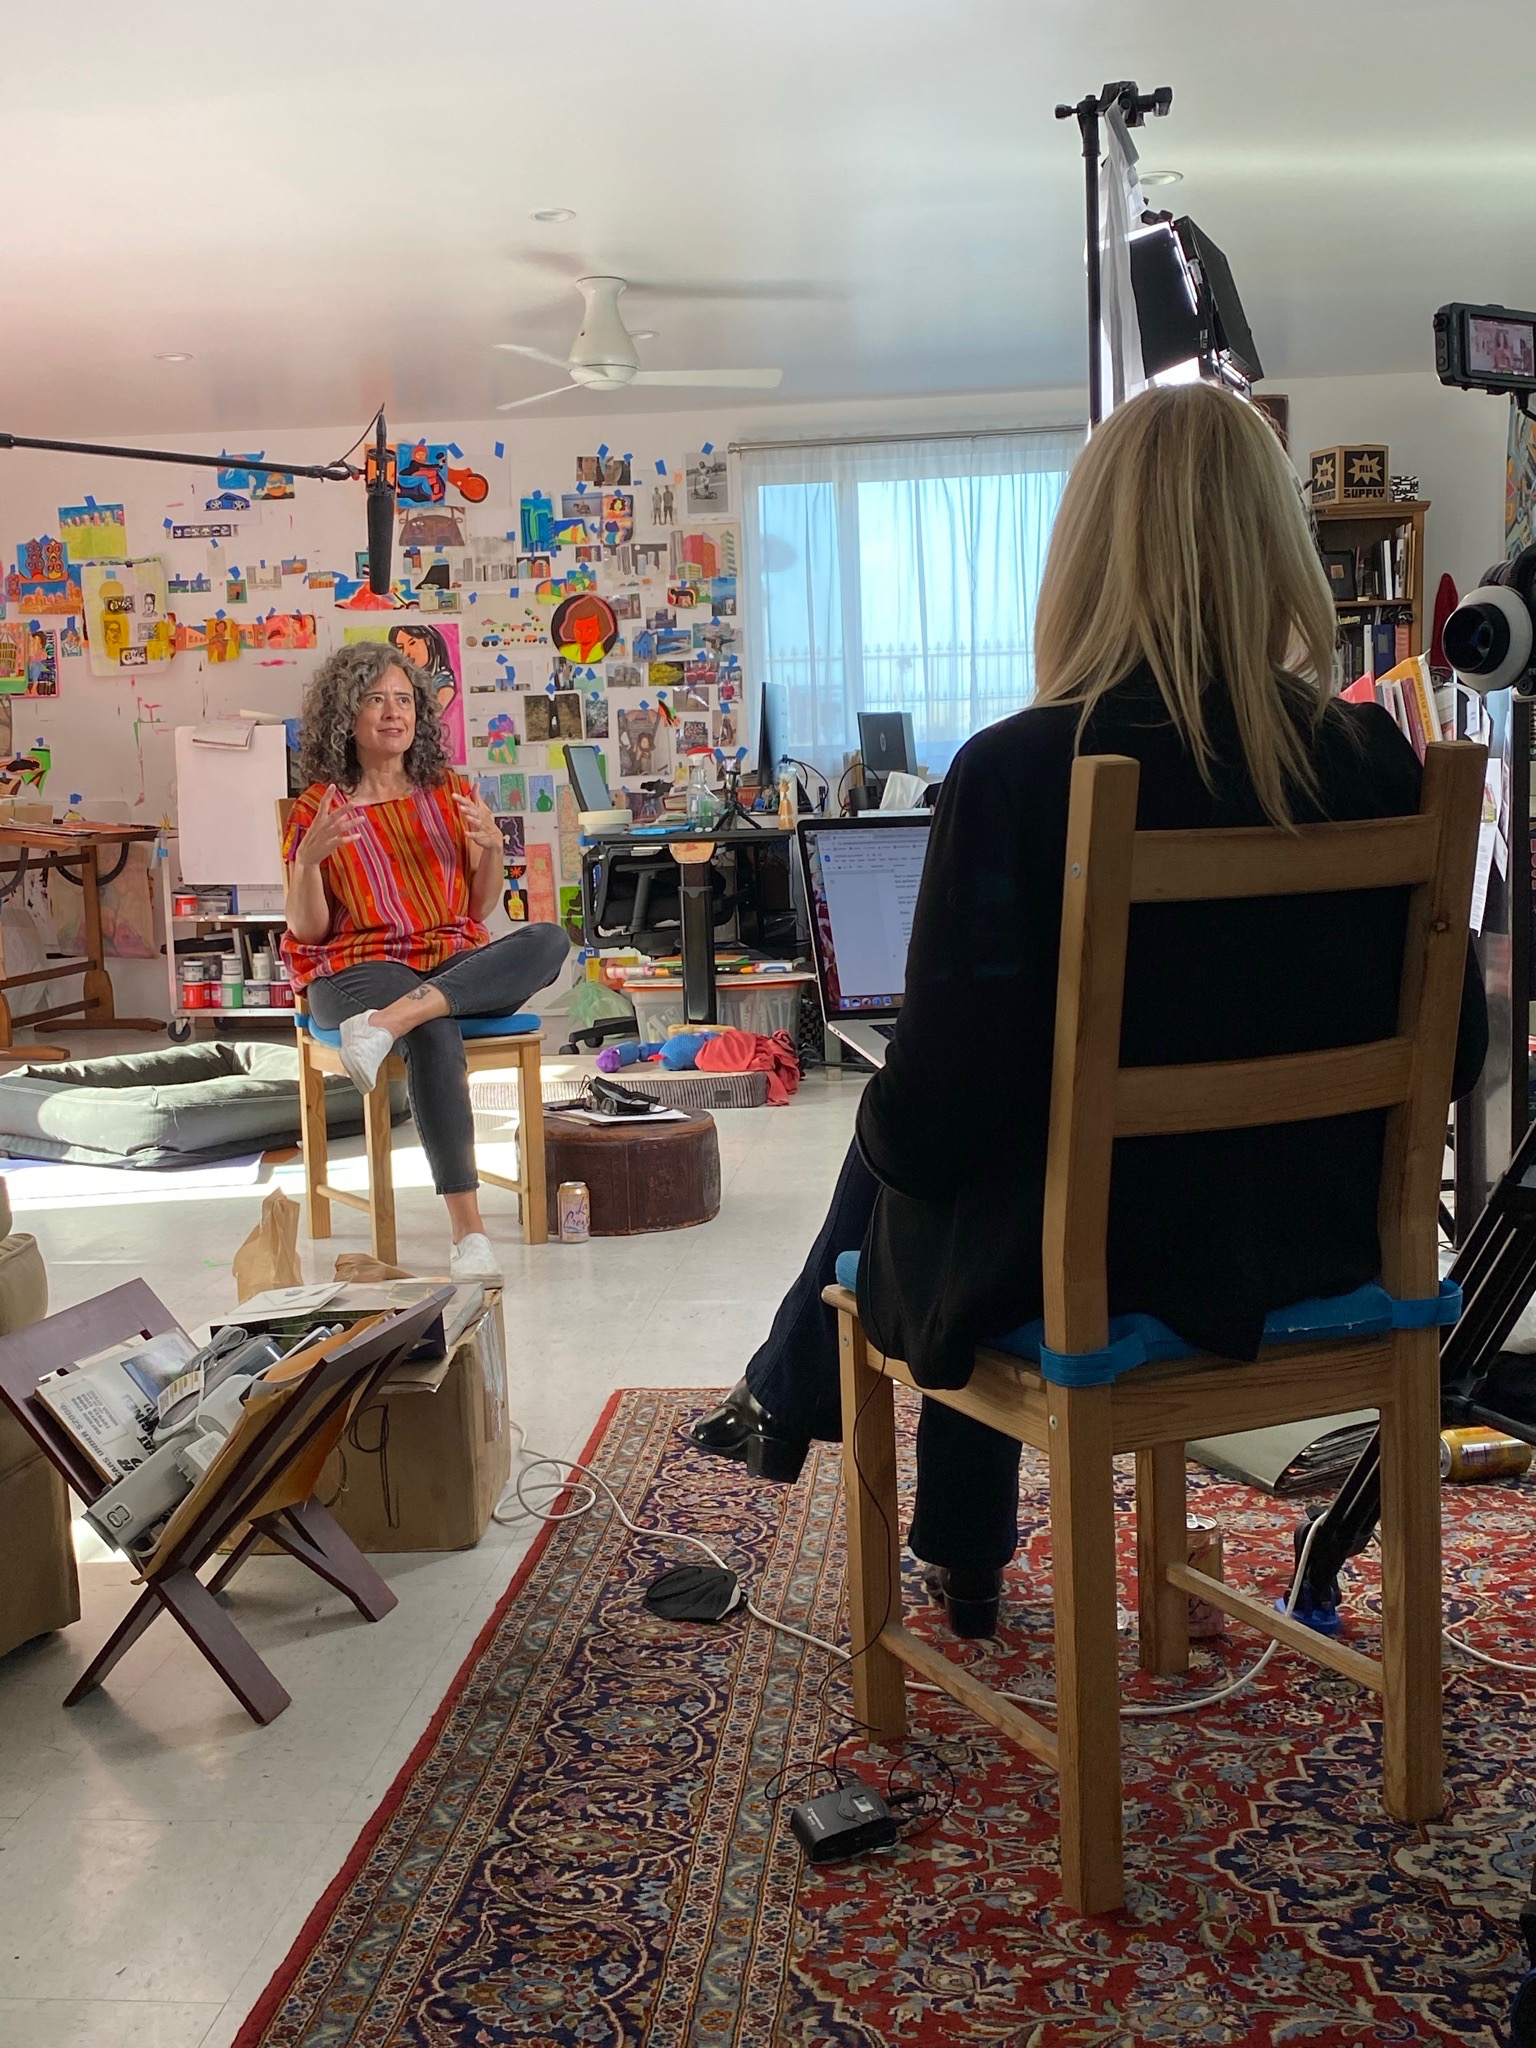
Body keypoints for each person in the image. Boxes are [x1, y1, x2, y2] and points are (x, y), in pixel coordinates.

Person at [690, 381, 1488, 1638]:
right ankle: (864, 1463)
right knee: (968, 1151)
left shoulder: (1015, 767)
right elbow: (1455, 1064)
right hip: (1314, 1242)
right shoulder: (1380, 758)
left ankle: (883, 1481)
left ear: (1083, 553)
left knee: (925, 1154)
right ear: (1280, 548)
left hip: (1095, 1263)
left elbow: (943, 1122)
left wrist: (892, 1123)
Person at [282, 641, 569, 1281]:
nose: (394, 713)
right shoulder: (318, 808)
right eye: (376, 700)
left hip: (444, 960)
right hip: (354, 968)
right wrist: (306, 860)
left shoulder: (447, 792)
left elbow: (478, 906)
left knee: (548, 939)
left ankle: (387, 1026)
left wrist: (493, 848)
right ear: (344, 717)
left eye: (405, 700)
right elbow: (310, 929)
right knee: (434, 1030)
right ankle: (469, 1235)